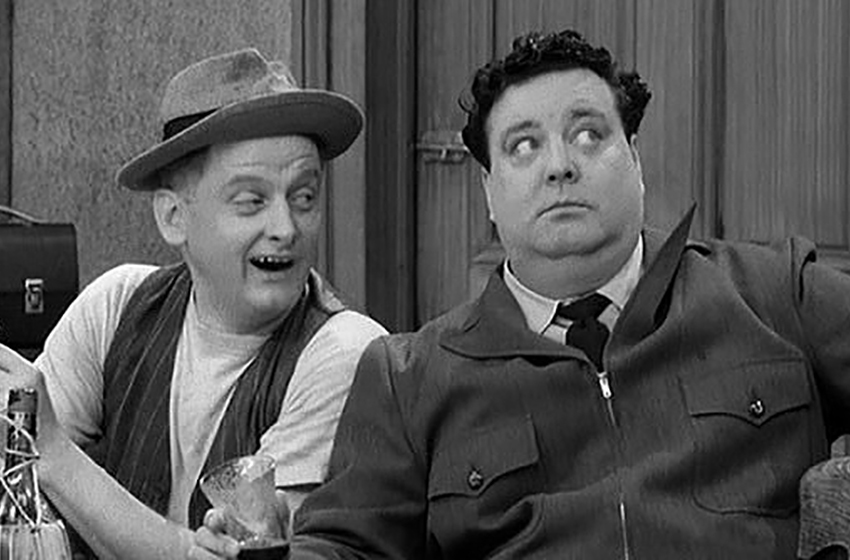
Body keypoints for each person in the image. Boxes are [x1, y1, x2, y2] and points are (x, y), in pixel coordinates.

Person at [193, 28, 850, 560]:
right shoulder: (408, 378)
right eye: (524, 146)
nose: (560, 165)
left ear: (636, 159)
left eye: (589, 135)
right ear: (488, 190)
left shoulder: (772, 293)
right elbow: (349, 547)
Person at [0, 47, 386, 559]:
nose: (286, 228)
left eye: (304, 198)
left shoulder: (348, 353)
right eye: (252, 201)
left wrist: (52, 453)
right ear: (173, 218)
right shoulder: (116, 306)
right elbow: (15, 483)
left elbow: (247, 555)